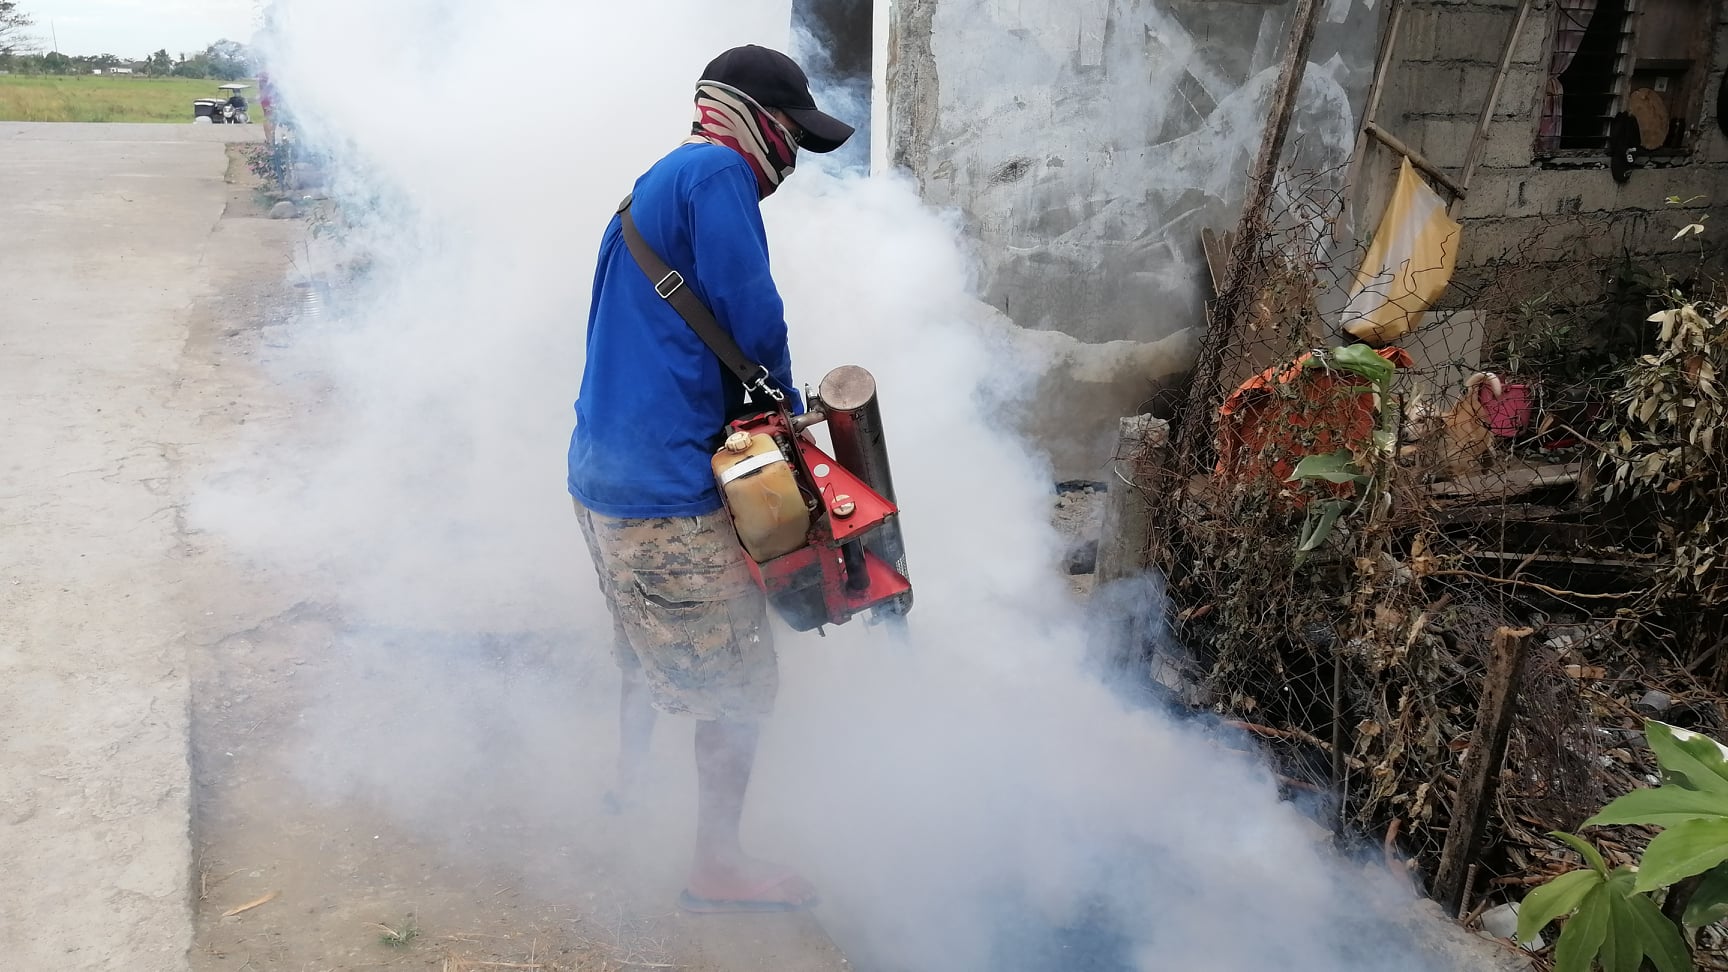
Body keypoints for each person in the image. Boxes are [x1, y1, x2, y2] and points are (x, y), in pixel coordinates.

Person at [566, 45, 854, 913]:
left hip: (601, 475)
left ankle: (625, 786)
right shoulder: (719, 174)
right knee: (740, 687)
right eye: (794, 135)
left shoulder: (649, 188)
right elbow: (752, 312)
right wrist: (790, 413)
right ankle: (716, 864)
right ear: (751, 119)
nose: (795, 159)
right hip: (665, 493)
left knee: (642, 642)